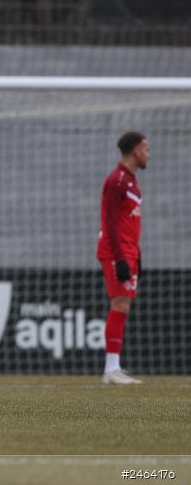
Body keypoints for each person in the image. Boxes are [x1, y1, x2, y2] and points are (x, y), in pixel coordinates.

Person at [97, 131, 149, 385]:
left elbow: (129, 224)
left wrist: (136, 256)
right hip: (116, 251)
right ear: (136, 151)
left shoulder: (131, 181)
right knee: (120, 304)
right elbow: (110, 223)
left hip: (129, 251)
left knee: (123, 306)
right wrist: (119, 258)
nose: (148, 154)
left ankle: (113, 368)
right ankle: (111, 369)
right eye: (145, 149)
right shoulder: (116, 180)